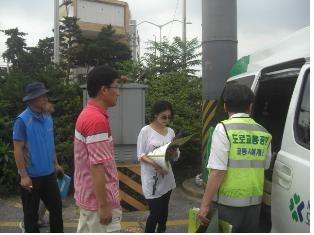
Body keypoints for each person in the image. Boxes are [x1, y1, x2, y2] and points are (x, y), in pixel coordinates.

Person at [197, 83, 272, 232]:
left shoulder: (223, 128)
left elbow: (217, 171)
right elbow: (266, 165)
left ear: (225, 107)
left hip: (228, 206)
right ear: (250, 107)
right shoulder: (264, 133)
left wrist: (205, 205)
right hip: (254, 206)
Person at [74, 65, 122, 233]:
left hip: (90, 200)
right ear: (104, 90)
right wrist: (103, 206)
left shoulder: (89, 114)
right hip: (98, 204)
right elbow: (97, 166)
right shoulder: (96, 120)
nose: (118, 92)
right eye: (116, 86)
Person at [13, 82, 64, 233]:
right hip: (31, 176)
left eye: (45, 95)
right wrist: (23, 176)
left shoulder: (47, 116)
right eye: (41, 96)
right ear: (32, 99)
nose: (45, 99)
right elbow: (17, 149)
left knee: (56, 209)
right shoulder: (22, 120)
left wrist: (56, 163)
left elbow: (50, 142)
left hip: (48, 173)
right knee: (31, 215)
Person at [137, 100, 180, 233]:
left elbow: (176, 156)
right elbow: (140, 155)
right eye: (163, 117)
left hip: (167, 177)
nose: (166, 120)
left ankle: (162, 231)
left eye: (169, 117)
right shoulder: (146, 131)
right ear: (155, 115)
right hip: (151, 178)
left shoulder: (171, 132)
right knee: (155, 212)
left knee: (164, 214)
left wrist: (174, 153)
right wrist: (155, 165)